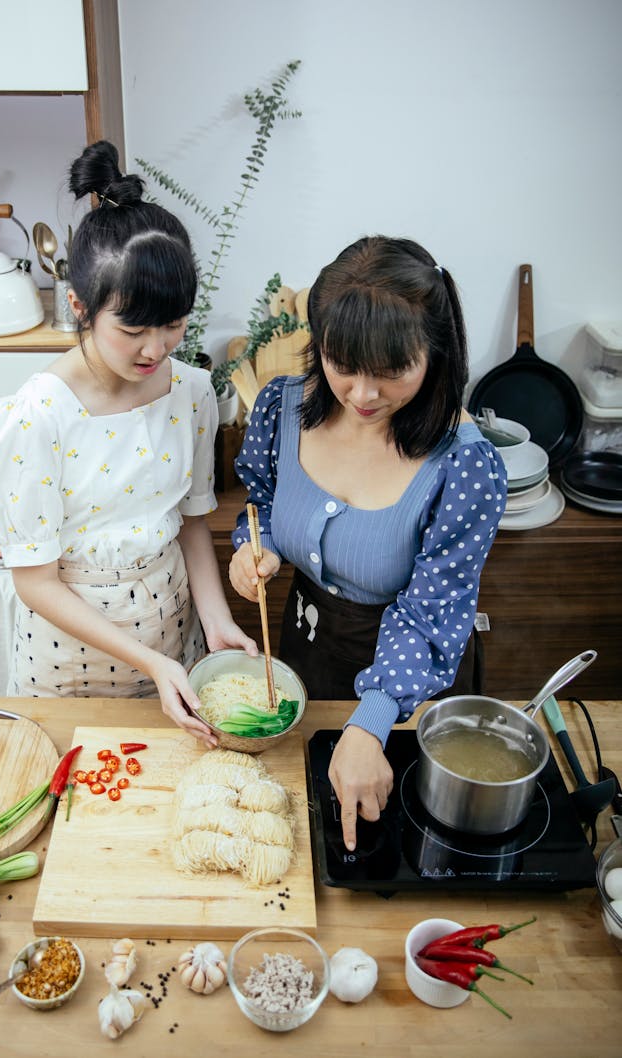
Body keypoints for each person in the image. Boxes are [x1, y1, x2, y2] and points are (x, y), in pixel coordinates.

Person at [0, 140, 255, 743]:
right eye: (132, 329)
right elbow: (35, 581)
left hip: (176, 633)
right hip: (70, 661)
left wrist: (216, 617)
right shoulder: (37, 418)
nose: (156, 349)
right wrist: (146, 660)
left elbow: (192, 519)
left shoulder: (193, 392)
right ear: (80, 306)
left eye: (174, 325)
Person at [229, 235, 507, 848]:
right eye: (343, 366)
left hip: (409, 678)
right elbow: (261, 502)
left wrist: (373, 721)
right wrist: (255, 549)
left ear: (435, 354)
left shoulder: (464, 467)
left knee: (394, 840)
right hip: (305, 652)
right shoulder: (283, 407)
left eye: (390, 374)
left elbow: (432, 609)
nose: (361, 396)